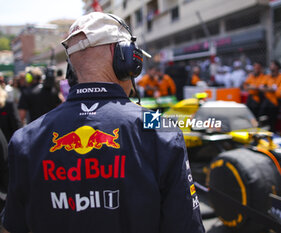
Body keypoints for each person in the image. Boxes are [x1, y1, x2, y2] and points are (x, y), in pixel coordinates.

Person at [2, 12, 205, 233]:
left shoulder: (25, 138)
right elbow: (187, 227)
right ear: (124, 59)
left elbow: (13, 226)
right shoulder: (161, 127)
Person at [259, 60, 281, 132]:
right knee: (262, 118)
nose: (271, 67)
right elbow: (261, 87)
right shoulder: (268, 76)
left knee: (272, 122)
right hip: (267, 100)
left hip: (275, 102)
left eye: (272, 65)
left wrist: (267, 88)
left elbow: (275, 89)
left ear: (277, 67)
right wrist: (269, 88)